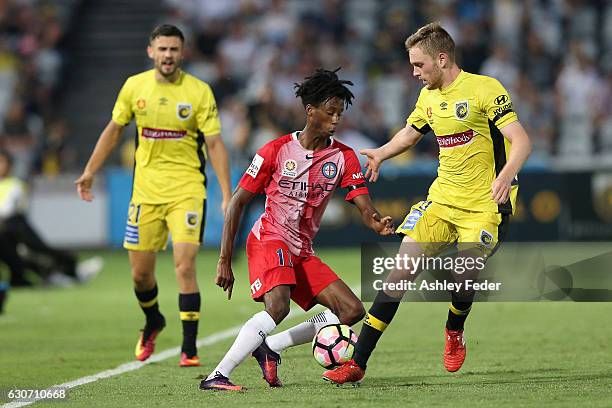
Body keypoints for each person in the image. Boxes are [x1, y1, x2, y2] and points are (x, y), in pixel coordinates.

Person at [323, 22, 532, 385]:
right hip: (441, 202)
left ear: (441, 57)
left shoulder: (485, 89)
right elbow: (410, 132)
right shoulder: (429, 97)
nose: (414, 73)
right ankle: (357, 363)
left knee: (463, 274)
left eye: (419, 65)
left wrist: (506, 174)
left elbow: (521, 140)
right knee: (399, 273)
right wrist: (382, 154)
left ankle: (454, 328)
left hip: (484, 205)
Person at [199, 68, 394, 391]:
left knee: (351, 310)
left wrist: (376, 220)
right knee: (278, 306)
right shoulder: (274, 151)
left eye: (339, 114)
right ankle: (218, 374)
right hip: (269, 237)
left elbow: (363, 202)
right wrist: (224, 259)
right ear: (310, 111)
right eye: (330, 112)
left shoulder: (343, 157)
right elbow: (237, 202)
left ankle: (271, 346)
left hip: (301, 250)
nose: (335, 120)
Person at [75, 24, 232, 367]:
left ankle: (189, 349)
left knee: (184, 265)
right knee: (140, 275)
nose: (168, 55)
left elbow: (215, 144)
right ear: (151, 51)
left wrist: (225, 192)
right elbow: (113, 131)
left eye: (174, 49)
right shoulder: (135, 87)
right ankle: (154, 321)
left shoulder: (199, 91)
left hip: (188, 190)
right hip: (145, 192)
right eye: (162, 49)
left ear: (182, 52)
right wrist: (89, 171)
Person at [0, 149, 102, 288]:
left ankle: (71, 270)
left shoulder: (15, 184)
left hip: (13, 227)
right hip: (7, 232)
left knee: (39, 250)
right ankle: (56, 274)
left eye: (2, 162)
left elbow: (8, 208)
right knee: (22, 255)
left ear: (9, 165)